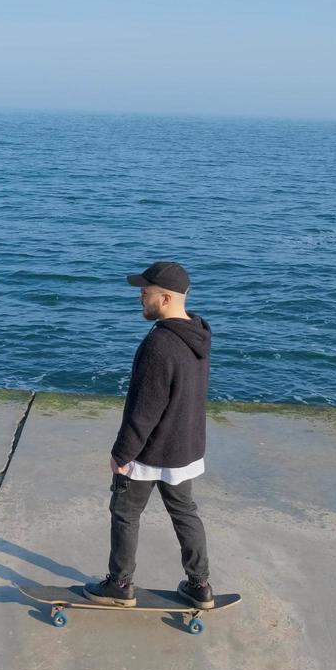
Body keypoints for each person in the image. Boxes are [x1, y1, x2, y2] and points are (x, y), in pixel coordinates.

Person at [86, 261, 215, 610]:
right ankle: (200, 585)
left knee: (125, 513)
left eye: (146, 292)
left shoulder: (159, 345)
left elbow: (145, 410)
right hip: (184, 447)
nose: (140, 297)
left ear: (167, 297)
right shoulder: (198, 333)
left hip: (149, 451)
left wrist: (121, 454)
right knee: (185, 513)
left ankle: (120, 583)